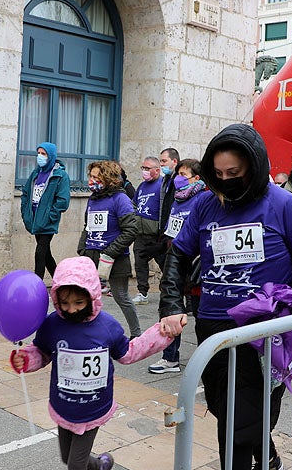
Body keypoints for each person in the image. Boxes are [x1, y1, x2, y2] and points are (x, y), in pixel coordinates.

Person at [158, 124, 292, 470]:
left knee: (237, 425)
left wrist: (291, 309)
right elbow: (179, 256)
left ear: (254, 165)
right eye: (218, 174)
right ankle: (265, 455)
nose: (225, 181)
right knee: (223, 407)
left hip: (267, 333)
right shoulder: (204, 204)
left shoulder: (286, 205)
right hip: (214, 328)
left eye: (234, 173)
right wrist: (171, 304)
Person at [10, 256, 171, 470]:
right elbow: (41, 352)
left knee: (74, 466)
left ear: (92, 297)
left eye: (78, 302)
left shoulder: (107, 326)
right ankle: (100, 466)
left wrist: (161, 334)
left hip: (94, 408)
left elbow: (128, 353)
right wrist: (26, 360)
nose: (71, 309)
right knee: (68, 458)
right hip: (64, 406)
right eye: (64, 303)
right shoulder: (52, 324)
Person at [148, 159, 206, 374]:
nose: (179, 178)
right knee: (170, 310)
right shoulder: (178, 199)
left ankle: (206, 359)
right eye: (178, 174)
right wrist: (162, 246)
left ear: (197, 178)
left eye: (184, 174)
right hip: (174, 264)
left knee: (201, 315)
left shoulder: (202, 200)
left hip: (196, 268)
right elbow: (171, 230)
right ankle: (170, 358)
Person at [78, 161, 142, 338]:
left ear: (108, 178)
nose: (91, 180)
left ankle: (136, 334)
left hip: (115, 257)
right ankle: (88, 331)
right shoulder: (93, 198)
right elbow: (87, 225)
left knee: (121, 296)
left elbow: (132, 230)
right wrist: (82, 248)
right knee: (88, 296)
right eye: (90, 176)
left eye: (96, 177)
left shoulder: (120, 199)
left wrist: (110, 252)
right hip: (91, 254)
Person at [20, 142, 71, 280]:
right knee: (46, 255)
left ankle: (37, 286)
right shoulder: (36, 173)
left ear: (51, 156)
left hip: (47, 222)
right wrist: (25, 213)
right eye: (38, 153)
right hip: (35, 220)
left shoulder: (61, 176)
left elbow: (63, 201)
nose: (40, 156)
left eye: (43, 154)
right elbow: (25, 193)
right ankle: (60, 282)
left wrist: (51, 215)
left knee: (40, 253)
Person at [131, 156, 166, 305]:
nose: (144, 171)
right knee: (140, 263)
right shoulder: (142, 186)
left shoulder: (163, 185)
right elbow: (134, 204)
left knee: (165, 264)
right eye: (143, 168)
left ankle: (175, 291)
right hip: (140, 234)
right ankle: (142, 292)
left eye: (147, 168)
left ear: (157, 170)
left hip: (157, 235)